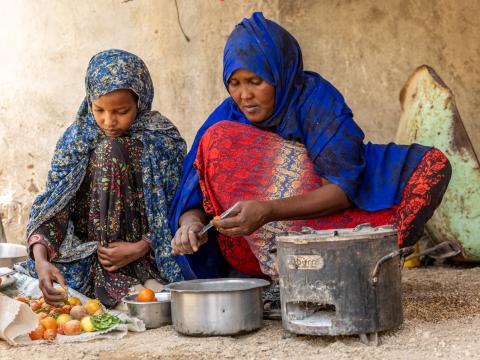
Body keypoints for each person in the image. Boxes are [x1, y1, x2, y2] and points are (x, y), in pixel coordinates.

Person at [169, 11, 451, 289]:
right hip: (253, 245)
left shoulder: (315, 100)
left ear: (281, 74)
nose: (244, 95)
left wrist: (268, 210)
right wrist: (190, 225)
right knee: (218, 139)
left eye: (256, 81)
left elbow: (342, 189)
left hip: (322, 222)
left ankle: (346, 263)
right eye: (235, 83)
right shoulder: (225, 121)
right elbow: (192, 198)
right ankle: (285, 271)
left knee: (432, 167)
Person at [23, 49, 187, 307]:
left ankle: (140, 274)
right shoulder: (75, 140)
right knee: (108, 150)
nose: (108, 121)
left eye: (121, 111)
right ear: (89, 102)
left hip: (148, 252)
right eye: (98, 110)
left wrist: (143, 246)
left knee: (114, 149)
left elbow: (176, 206)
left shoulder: (162, 139)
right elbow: (53, 207)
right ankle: (111, 278)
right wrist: (41, 261)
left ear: (140, 102)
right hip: (92, 254)